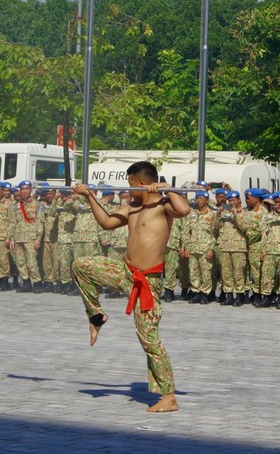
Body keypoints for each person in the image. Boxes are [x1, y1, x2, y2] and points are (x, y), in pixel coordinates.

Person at [71, 161, 190, 413]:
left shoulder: (163, 206)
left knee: (149, 340)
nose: (127, 189)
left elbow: (185, 209)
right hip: (125, 272)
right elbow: (106, 222)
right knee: (81, 265)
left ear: (143, 184)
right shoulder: (132, 207)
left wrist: (168, 188)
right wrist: (89, 195)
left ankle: (168, 396)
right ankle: (96, 315)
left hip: (148, 281)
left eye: (131, 185)